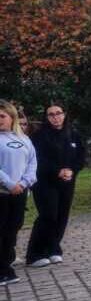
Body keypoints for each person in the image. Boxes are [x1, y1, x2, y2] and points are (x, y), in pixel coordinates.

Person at [26, 103, 86, 268]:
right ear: (46, 117)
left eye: (58, 113)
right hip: (45, 183)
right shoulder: (39, 136)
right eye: (51, 114)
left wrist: (72, 170)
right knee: (48, 216)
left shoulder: (73, 134)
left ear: (64, 114)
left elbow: (80, 156)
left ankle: (53, 249)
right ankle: (35, 254)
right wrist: (57, 171)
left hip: (67, 181)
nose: (55, 117)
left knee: (61, 216)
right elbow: (38, 160)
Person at [0, 101, 37, 287]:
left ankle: (6, 266)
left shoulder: (23, 139)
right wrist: (9, 183)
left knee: (12, 231)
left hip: (20, 192)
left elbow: (32, 163)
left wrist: (23, 183)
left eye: (2, 116)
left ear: (11, 117)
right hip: (2, 193)